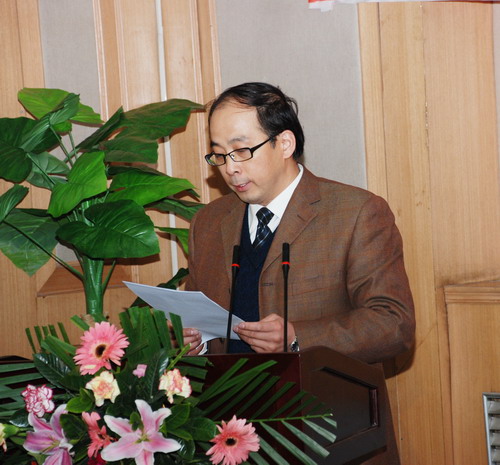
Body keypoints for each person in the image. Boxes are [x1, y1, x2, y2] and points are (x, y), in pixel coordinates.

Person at [181, 82, 415, 465]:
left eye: (242, 151)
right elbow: (194, 313)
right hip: (227, 435)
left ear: (285, 143)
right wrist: (191, 341)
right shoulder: (208, 223)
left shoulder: (356, 212)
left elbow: (393, 324)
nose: (230, 168)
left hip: (331, 432)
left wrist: (297, 337)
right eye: (219, 155)